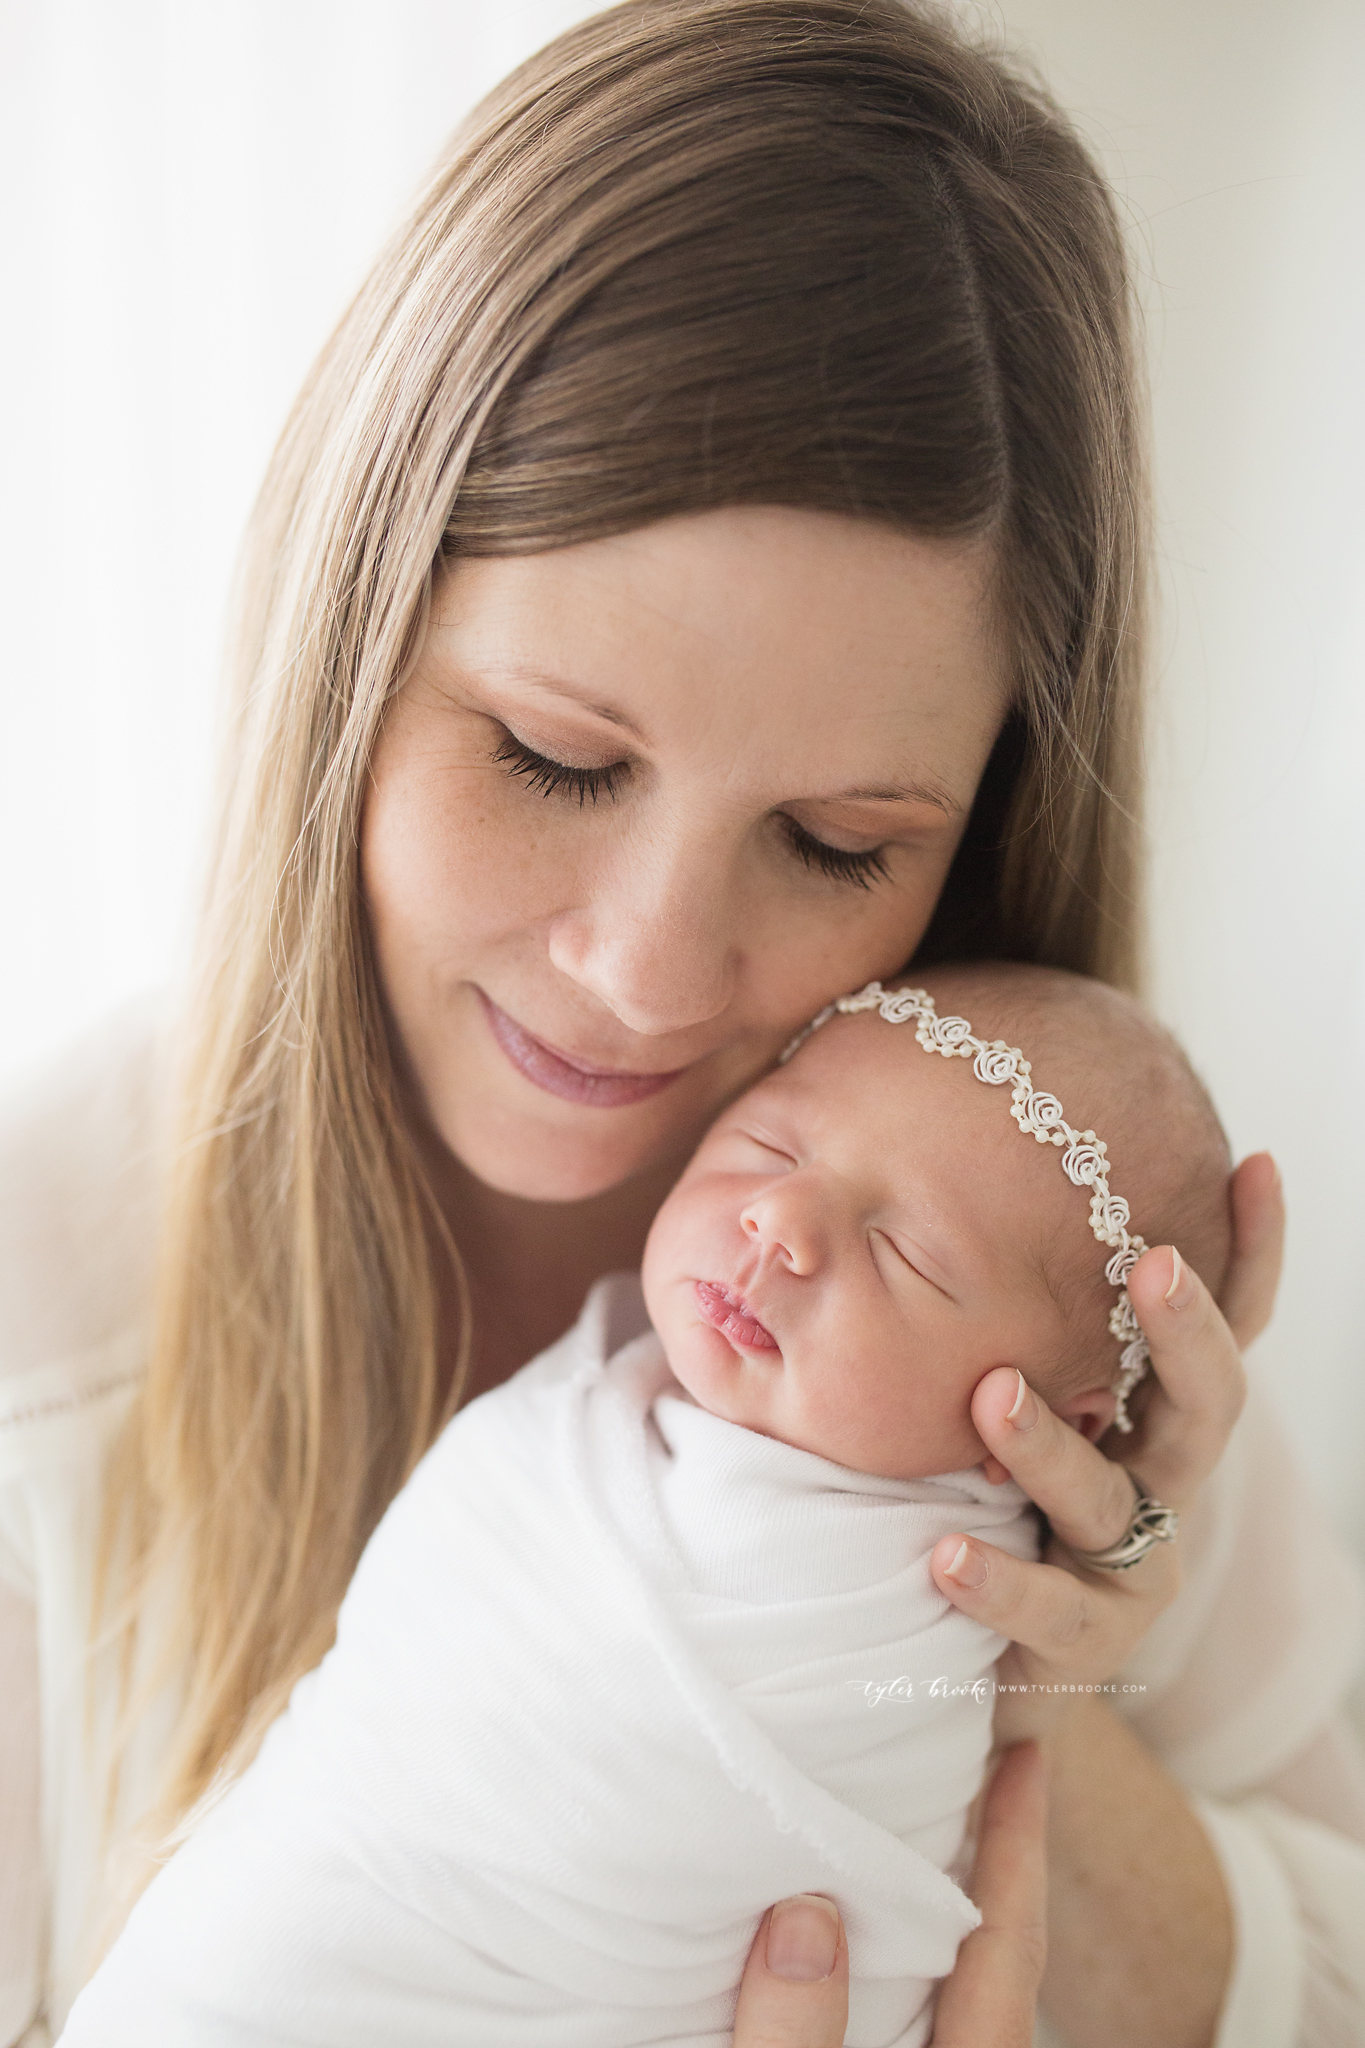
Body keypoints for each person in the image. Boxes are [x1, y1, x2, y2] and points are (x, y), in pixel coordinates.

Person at [1, 1, 1362, 2043]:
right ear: (346, 652)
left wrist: (987, 1683)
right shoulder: (42, 1330)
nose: (645, 973)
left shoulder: (1036, 1309)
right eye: (552, 755)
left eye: (831, 840)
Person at [57, 962, 1236, 2048]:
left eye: (907, 1255)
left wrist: (1054, 1677)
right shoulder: (69, 1242)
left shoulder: (956, 1574)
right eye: (769, 1144)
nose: (780, 1220)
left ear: (1046, 1428)